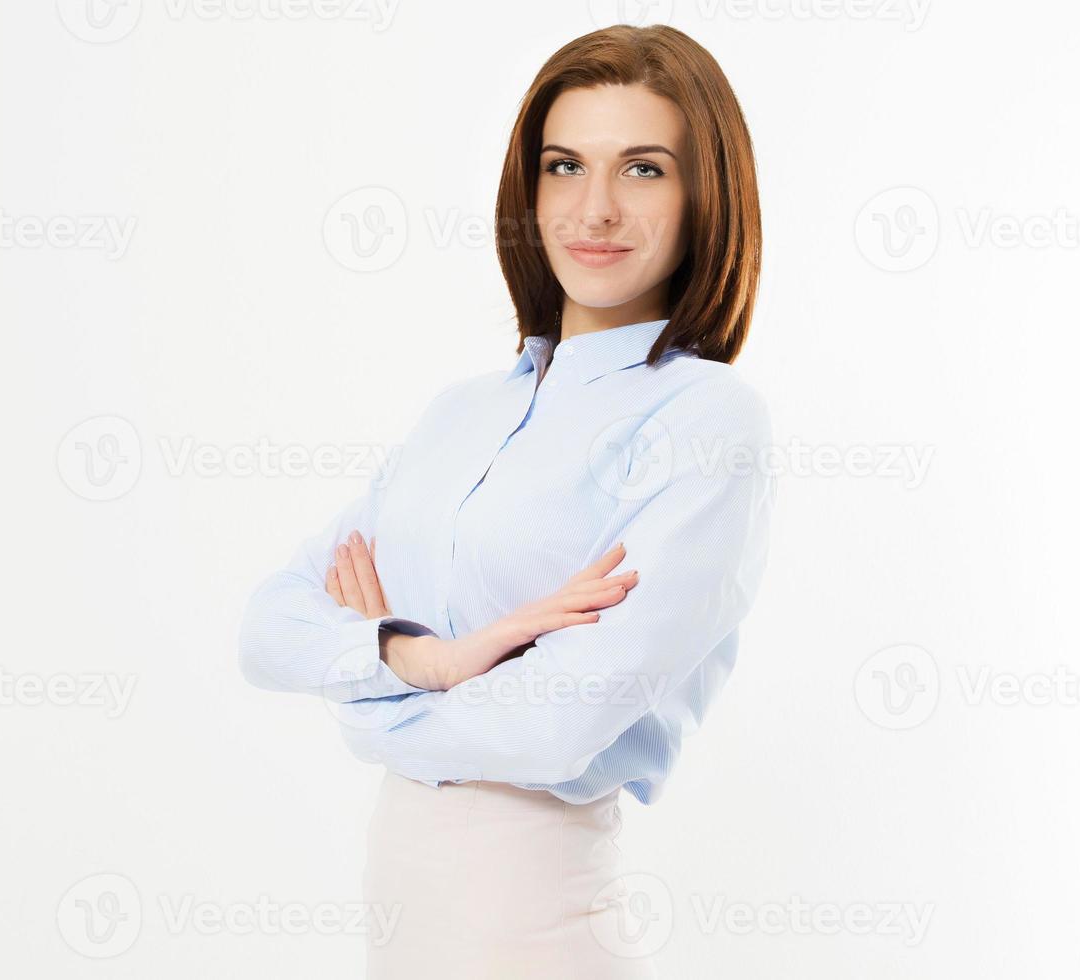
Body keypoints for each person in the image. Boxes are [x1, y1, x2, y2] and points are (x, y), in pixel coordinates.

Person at [238, 23, 774, 978]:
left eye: (643, 169)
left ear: (706, 197)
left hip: (538, 937)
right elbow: (268, 626)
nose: (595, 207)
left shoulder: (702, 420)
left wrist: (364, 696)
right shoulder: (460, 414)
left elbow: (554, 723)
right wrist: (433, 660)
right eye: (564, 165)